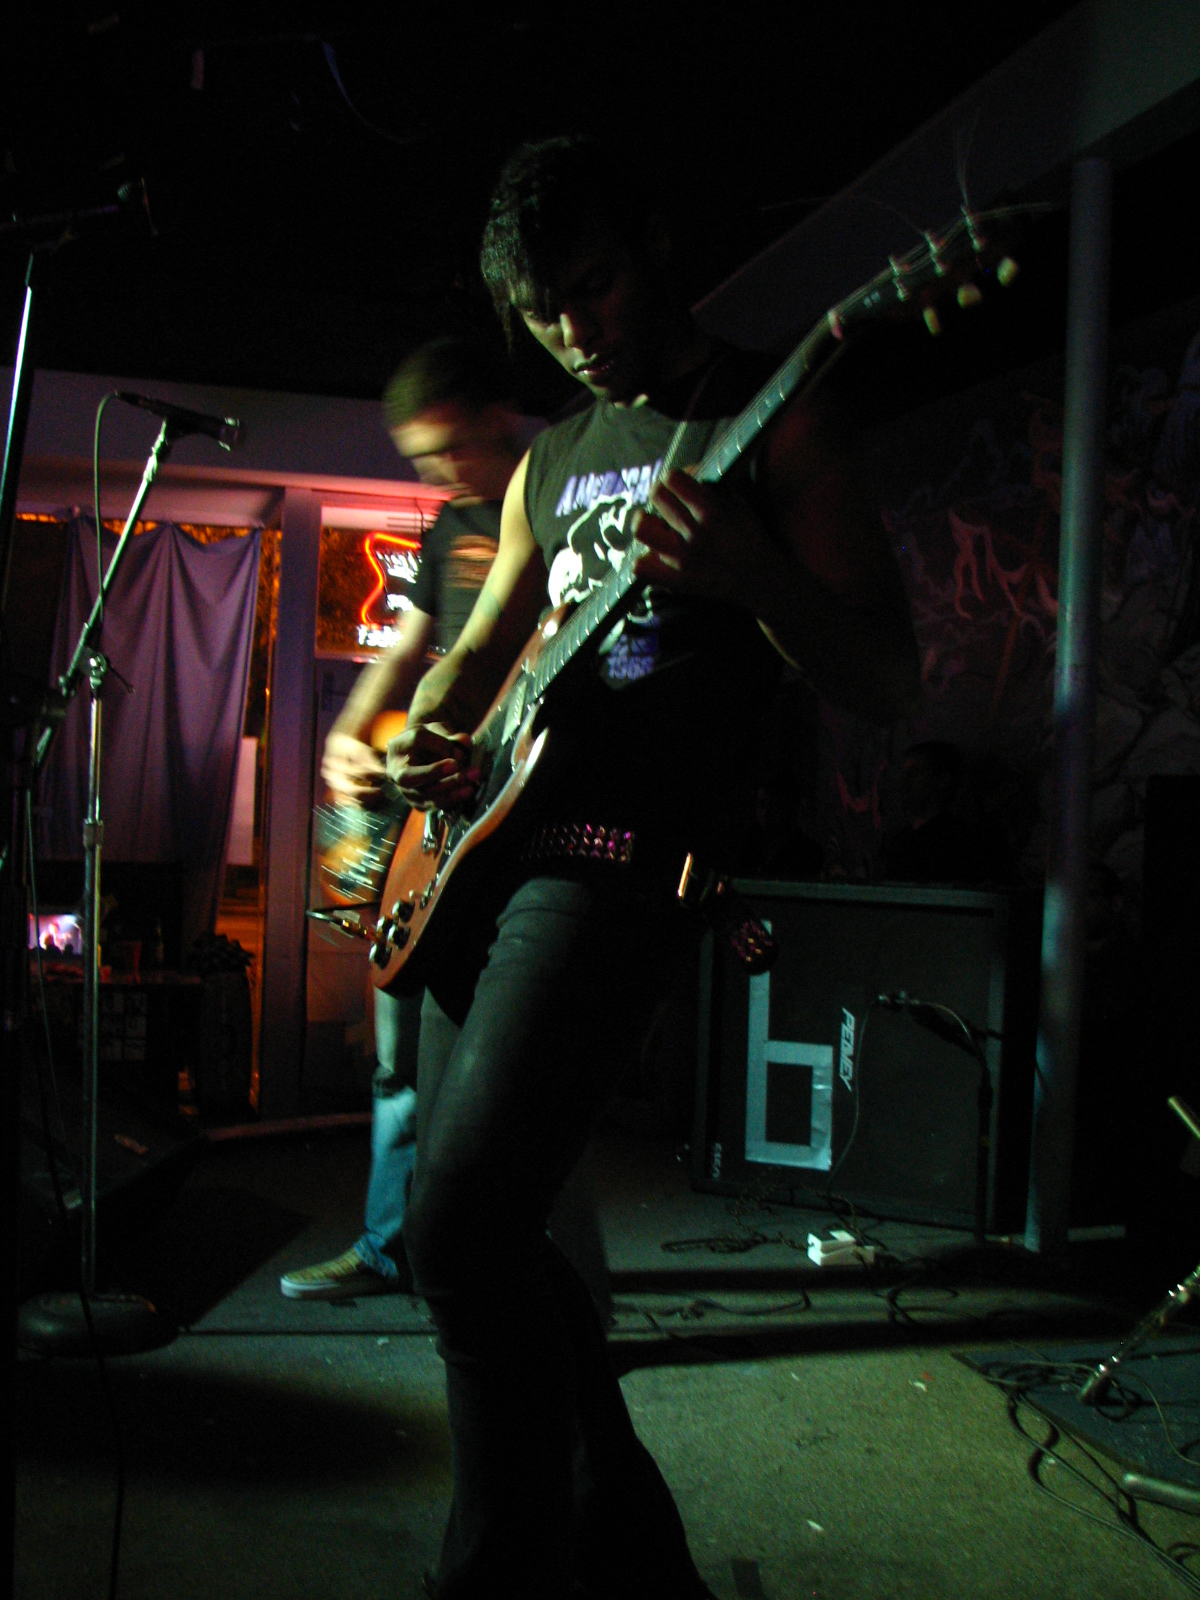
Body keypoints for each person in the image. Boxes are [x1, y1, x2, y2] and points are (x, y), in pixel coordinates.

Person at [388, 136, 921, 1599]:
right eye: (543, 312)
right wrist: (431, 732)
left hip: (622, 861)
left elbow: (886, 675)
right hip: (491, 857)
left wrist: (751, 577)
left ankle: (493, 1579)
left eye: (596, 286)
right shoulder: (552, 458)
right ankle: (635, 1558)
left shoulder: (771, 415)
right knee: (486, 1228)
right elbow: (477, 655)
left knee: (457, 1230)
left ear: (656, 246)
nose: (576, 330)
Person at [281, 335, 618, 1306]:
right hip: (442, 815)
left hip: (528, 812)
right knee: (397, 1050)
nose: (435, 475)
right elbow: (412, 646)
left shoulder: (561, 498)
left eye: (448, 450)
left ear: (497, 417)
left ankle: (567, 1295)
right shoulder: (451, 526)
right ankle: (390, 1246)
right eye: (421, 460)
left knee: (525, 1070)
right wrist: (350, 730)